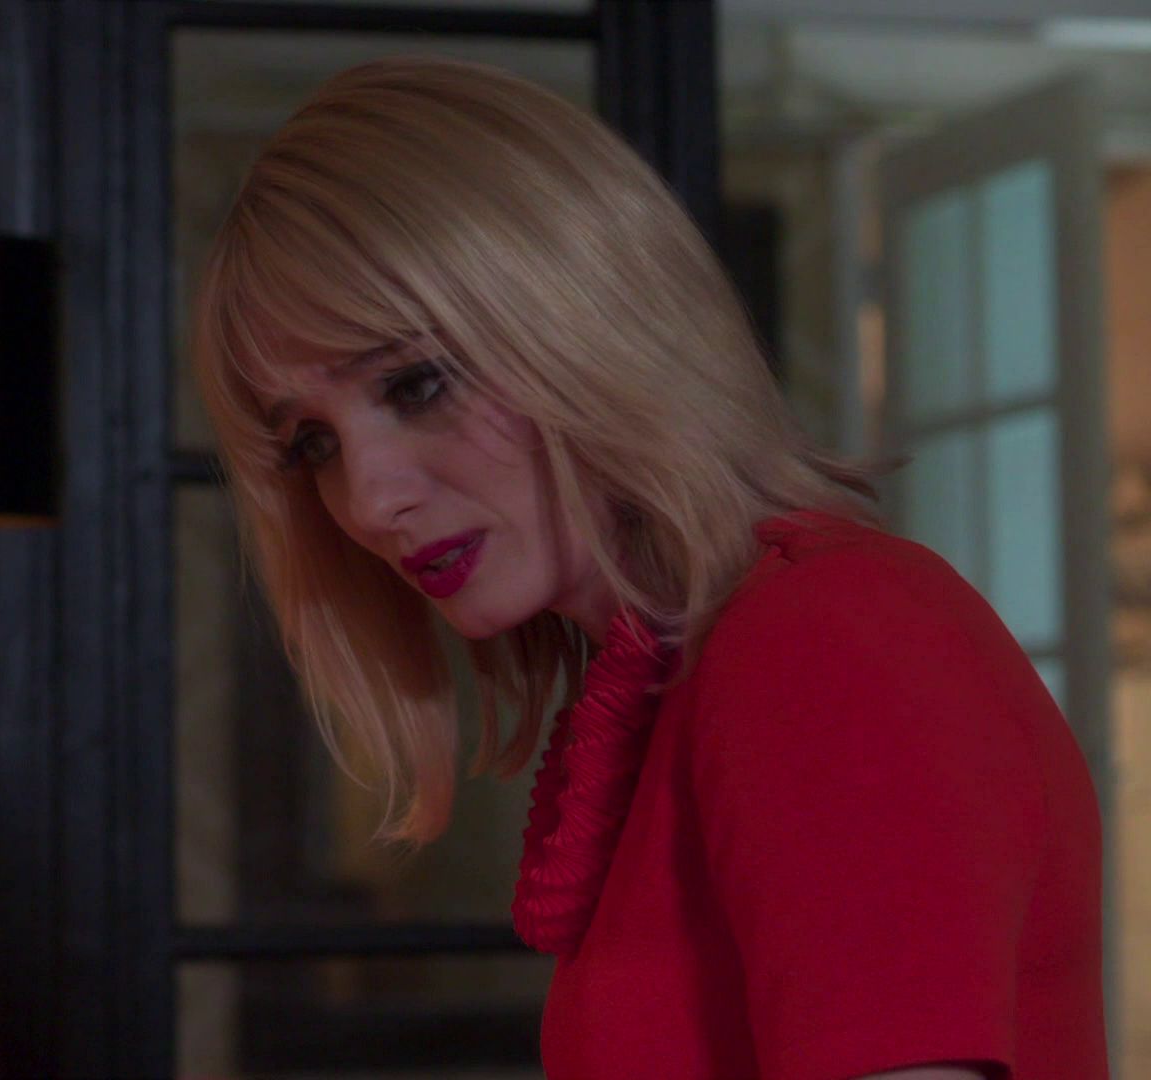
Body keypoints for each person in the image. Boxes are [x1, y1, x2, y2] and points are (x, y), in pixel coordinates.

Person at [185, 54, 1106, 1079]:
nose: (367, 499)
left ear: (583, 316)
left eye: (417, 384)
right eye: (312, 443)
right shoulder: (694, 671)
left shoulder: (823, 634)